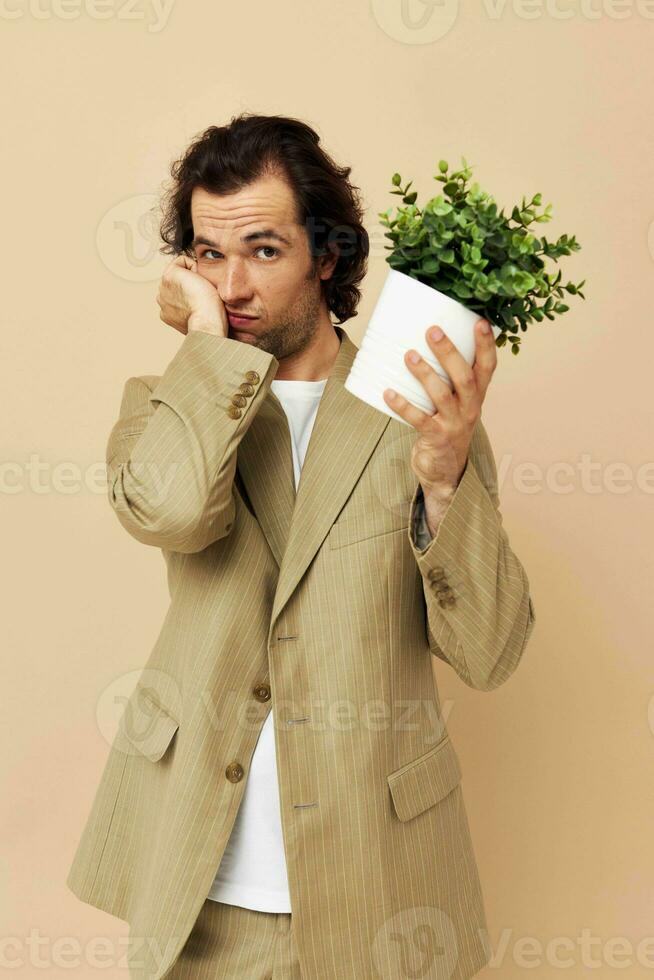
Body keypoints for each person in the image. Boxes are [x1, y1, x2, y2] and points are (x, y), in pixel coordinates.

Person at [67, 112, 536, 980]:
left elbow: (492, 649)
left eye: (264, 249)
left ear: (328, 254)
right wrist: (206, 350)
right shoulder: (167, 404)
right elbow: (170, 513)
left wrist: (444, 476)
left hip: (378, 885)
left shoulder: (425, 415)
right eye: (209, 255)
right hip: (201, 884)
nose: (233, 283)